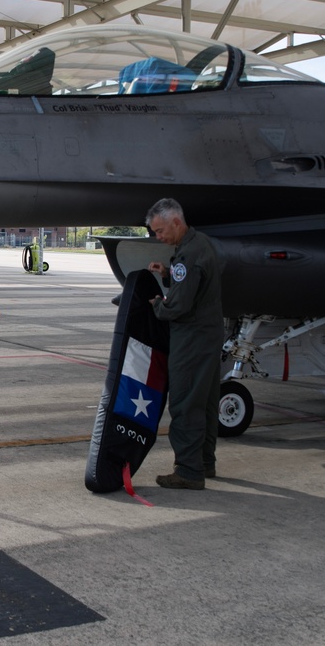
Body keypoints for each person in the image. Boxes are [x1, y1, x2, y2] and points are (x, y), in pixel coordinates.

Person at [146, 198, 223, 490]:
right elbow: (195, 287)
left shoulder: (189, 254)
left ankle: (189, 471)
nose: (158, 237)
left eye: (160, 230)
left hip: (191, 339)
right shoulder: (199, 244)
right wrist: (168, 275)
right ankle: (205, 462)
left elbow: (177, 306)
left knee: (186, 402)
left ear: (176, 222)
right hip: (208, 335)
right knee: (205, 402)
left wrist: (155, 305)